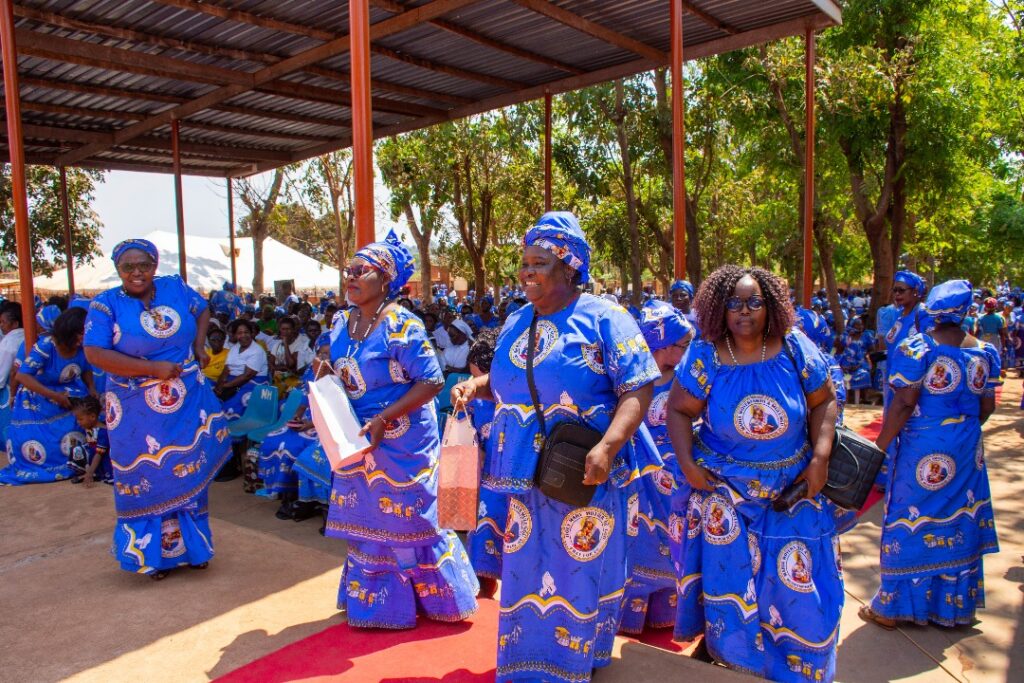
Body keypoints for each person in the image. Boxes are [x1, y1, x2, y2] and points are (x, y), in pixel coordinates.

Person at [451, 212, 661, 682]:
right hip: (524, 471)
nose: (527, 271)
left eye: (539, 262)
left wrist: (609, 445)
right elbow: (513, 380)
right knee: (526, 568)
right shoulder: (516, 320)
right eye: (524, 262)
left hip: (580, 469)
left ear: (569, 267)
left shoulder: (607, 318)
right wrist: (477, 386)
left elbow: (639, 387)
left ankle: (571, 663)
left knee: (577, 566)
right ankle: (529, 663)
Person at [666, 265, 842, 681]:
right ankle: (738, 664)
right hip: (725, 495)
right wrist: (689, 464)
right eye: (734, 304)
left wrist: (819, 458)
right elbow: (678, 409)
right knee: (733, 586)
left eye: (754, 302)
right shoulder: (706, 353)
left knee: (798, 588)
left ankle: (800, 667)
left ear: (771, 306)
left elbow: (824, 401)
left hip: (793, 490)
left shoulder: (794, 346)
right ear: (719, 309)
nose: (743, 311)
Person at [320, 230, 478, 630]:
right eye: (348, 270)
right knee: (369, 515)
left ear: (386, 279)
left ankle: (436, 600)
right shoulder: (341, 321)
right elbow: (342, 368)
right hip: (357, 435)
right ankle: (376, 602)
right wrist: (326, 380)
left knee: (411, 516)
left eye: (361, 270)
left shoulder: (402, 324)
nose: (351, 277)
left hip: (402, 437)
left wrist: (384, 418)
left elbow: (432, 381)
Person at [83, 238, 230, 579]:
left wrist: (199, 344)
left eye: (144, 265)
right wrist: (152, 369)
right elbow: (95, 354)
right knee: (150, 476)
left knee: (187, 470)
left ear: (154, 264)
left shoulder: (173, 287)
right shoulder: (105, 306)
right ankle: (151, 556)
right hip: (136, 409)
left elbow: (202, 308)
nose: (137, 272)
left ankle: (194, 549)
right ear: (118, 269)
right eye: (127, 267)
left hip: (185, 399)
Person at [859, 280, 1000, 629]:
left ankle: (891, 607)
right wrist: (962, 431)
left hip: (922, 447)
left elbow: (905, 403)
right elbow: (986, 406)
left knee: (908, 513)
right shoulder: (984, 352)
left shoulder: (918, 348)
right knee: (958, 515)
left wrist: (879, 447)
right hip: (967, 448)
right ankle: (951, 607)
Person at [622, 302, 694, 635]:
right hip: (638, 477)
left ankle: (665, 611)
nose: (685, 351)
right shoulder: (632, 378)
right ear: (661, 345)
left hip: (676, 479)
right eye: (681, 345)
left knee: (671, 540)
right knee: (638, 541)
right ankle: (631, 616)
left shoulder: (686, 380)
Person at [0, 307, 96, 485]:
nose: (84, 337)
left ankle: (78, 464)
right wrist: (54, 395)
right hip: (39, 397)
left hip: (70, 395)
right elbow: (22, 375)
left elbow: (86, 369)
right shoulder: (46, 346)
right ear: (69, 332)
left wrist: (92, 389)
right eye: (80, 333)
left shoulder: (83, 348)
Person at [462, 329, 503, 598]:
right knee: (481, 530)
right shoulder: (472, 398)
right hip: (483, 477)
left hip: (511, 476)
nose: (474, 384)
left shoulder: (513, 397)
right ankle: (482, 587)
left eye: (479, 378)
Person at [215, 319, 269, 420]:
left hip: (253, 382)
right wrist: (219, 386)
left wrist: (226, 386)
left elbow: (247, 375)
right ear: (235, 335)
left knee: (237, 400)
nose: (243, 335)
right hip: (234, 381)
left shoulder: (257, 351)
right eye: (239, 333)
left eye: (246, 332)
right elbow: (226, 369)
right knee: (213, 394)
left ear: (251, 333)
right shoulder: (235, 348)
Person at [67, 395, 112, 487]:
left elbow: (99, 454)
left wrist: (90, 472)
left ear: (92, 416)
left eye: (80, 419)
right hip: (94, 456)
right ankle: (91, 473)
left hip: (104, 460)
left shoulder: (103, 432)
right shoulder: (90, 428)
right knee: (76, 449)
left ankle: (94, 474)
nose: (78, 422)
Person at [0, 302, 25, 451]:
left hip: (10, 390)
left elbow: (2, 376)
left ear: (15, 323)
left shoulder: (9, 342)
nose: (1, 326)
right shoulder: (26, 336)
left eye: (3, 322)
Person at [838, 317, 874, 402]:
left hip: (860, 361)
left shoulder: (866, 335)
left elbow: (871, 349)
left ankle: (864, 398)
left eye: (861, 324)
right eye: (857, 325)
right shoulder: (846, 338)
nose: (860, 326)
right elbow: (838, 352)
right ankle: (846, 397)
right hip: (845, 364)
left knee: (865, 373)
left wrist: (864, 358)